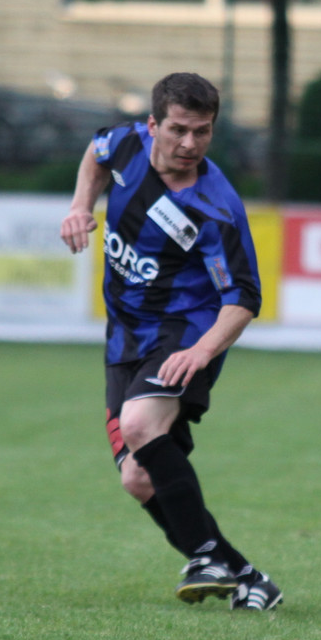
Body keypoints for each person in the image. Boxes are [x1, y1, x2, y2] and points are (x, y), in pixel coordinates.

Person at [60, 72, 282, 610]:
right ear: (153, 124)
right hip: (125, 337)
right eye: (179, 129)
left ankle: (204, 555)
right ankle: (248, 577)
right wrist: (80, 205)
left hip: (185, 333)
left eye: (202, 131)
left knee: (139, 424)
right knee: (138, 479)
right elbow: (95, 152)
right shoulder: (127, 144)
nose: (189, 143)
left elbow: (244, 298)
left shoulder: (215, 207)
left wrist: (201, 352)